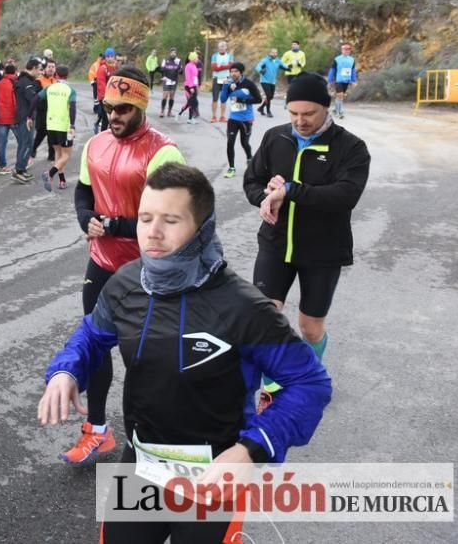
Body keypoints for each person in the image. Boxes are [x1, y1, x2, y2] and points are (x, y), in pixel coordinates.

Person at [40, 163, 332, 544]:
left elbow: (310, 383)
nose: (152, 232)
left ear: (202, 228)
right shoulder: (125, 284)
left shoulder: (242, 307)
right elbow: (91, 337)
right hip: (142, 465)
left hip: (213, 477)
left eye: (170, 220)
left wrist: (253, 448)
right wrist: (66, 372)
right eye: (145, 218)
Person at [64, 66, 185, 465]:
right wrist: (86, 219)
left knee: (143, 362)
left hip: (148, 273)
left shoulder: (163, 152)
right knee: (96, 349)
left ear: (141, 106)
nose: (113, 115)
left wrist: (115, 224)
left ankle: (146, 442)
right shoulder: (96, 144)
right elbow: (84, 192)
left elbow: (170, 221)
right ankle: (97, 431)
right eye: (108, 107)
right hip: (101, 263)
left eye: (123, 109)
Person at [244, 73, 370, 411]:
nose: (300, 121)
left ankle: (310, 375)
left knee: (310, 328)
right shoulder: (275, 138)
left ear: (326, 108)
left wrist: (291, 190)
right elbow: (252, 180)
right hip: (275, 243)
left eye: (309, 114)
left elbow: (346, 195)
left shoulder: (351, 148)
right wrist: (265, 197)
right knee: (266, 316)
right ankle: (275, 384)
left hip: (323, 250)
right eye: (293, 113)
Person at [218, 63, 263, 179]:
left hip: (246, 119)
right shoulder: (228, 83)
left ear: (241, 72)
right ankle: (231, 168)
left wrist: (241, 100)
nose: (233, 73)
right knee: (230, 142)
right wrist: (225, 86)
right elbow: (223, 99)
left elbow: (258, 99)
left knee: (244, 143)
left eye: (236, 71)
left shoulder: (248, 84)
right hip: (233, 118)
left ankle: (249, 158)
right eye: (231, 71)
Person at [37, 65, 77, 192]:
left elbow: (35, 99)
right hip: (64, 126)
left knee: (58, 154)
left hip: (51, 126)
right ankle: (49, 173)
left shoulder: (49, 88)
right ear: (67, 75)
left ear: (56, 75)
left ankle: (62, 181)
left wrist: (28, 116)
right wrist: (72, 125)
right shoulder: (70, 90)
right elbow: (73, 108)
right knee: (66, 155)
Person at [11, 58, 43, 183]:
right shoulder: (26, 82)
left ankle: (22, 168)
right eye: (39, 69)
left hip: (27, 116)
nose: (40, 72)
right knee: (25, 144)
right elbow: (33, 99)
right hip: (25, 118)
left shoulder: (28, 81)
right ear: (33, 68)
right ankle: (18, 170)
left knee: (28, 144)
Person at [0, 63, 19, 174]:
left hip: (1, 117)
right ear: (14, 72)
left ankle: (2, 167)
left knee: (2, 143)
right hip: (12, 117)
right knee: (22, 141)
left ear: (5, 72)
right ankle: (22, 163)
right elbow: (14, 102)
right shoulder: (13, 84)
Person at [32, 60, 58, 163]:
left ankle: (51, 155)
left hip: (54, 112)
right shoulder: (39, 81)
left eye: (53, 67)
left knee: (52, 134)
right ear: (45, 69)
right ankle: (33, 149)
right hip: (43, 112)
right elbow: (37, 97)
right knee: (41, 133)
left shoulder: (56, 81)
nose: (51, 68)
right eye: (49, 67)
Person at [327, 43, 358, 119]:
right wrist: (329, 81)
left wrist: (354, 81)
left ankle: (335, 109)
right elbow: (332, 70)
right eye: (344, 49)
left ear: (350, 50)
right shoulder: (337, 59)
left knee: (341, 96)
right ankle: (340, 112)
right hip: (339, 80)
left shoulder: (352, 60)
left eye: (348, 49)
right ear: (341, 50)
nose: (346, 50)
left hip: (346, 81)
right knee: (340, 95)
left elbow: (353, 71)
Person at [94, 47, 119, 133]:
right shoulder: (102, 68)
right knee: (106, 118)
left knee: (113, 118)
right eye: (108, 56)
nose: (109, 58)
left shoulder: (116, 68)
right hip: (105, 97)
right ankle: (102, 134)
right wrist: (105, 98)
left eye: (111, 56)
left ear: (114, 57)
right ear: (105, 57)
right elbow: (101, 84)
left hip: (114, 97)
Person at [255, 48, 284, 118]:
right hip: (264, 81)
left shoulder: (277, 61)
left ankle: (261, 108)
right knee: (268, 95)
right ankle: (268, 111)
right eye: (273, 52)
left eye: (275, 53)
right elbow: (258, 66)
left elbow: (284, 65)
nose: (274, 54)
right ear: (270, 53)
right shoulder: (265, 60)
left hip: (272, 81)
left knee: (270, 97)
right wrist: (260, 70)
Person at [209, 41, 233, 123]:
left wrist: (220, 66)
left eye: (223, 46)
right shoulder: (215, 56)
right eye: (220, 46)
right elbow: (214, 68)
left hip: (226, 78)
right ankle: (214, 116)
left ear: (226, 47)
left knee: (224, 99)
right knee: (215, 98)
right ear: (218, 48)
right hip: (216, 78)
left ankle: (222, 116)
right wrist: (225, 67)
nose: (222, 48)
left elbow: (231, 66)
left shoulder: (230, 56)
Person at [158, 48, 182, 118]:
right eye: (172, 53)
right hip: (167, 79)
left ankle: (169, 111)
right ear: (170, 53)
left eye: (174, 53)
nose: (173, 54)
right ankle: (162, 111)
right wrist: (163, 73)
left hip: (174, 80)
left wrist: (180, 70)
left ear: (176, 54)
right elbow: (161, 69)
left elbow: (181, 70)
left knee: (172, 95)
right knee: (165, 95)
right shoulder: (165, 60)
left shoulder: (178, 60)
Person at [180, 52, 201, 124]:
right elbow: (188, 78)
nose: (198, 59)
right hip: (189, 87)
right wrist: (191, 87)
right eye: (196, 58)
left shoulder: (194, 66)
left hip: (194, 86)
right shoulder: (188, 66)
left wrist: (197, 86)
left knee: (193, 103)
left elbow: (195, 78)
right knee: (191, 103)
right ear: (192, 59)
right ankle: (189, 118)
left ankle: (188, 117)